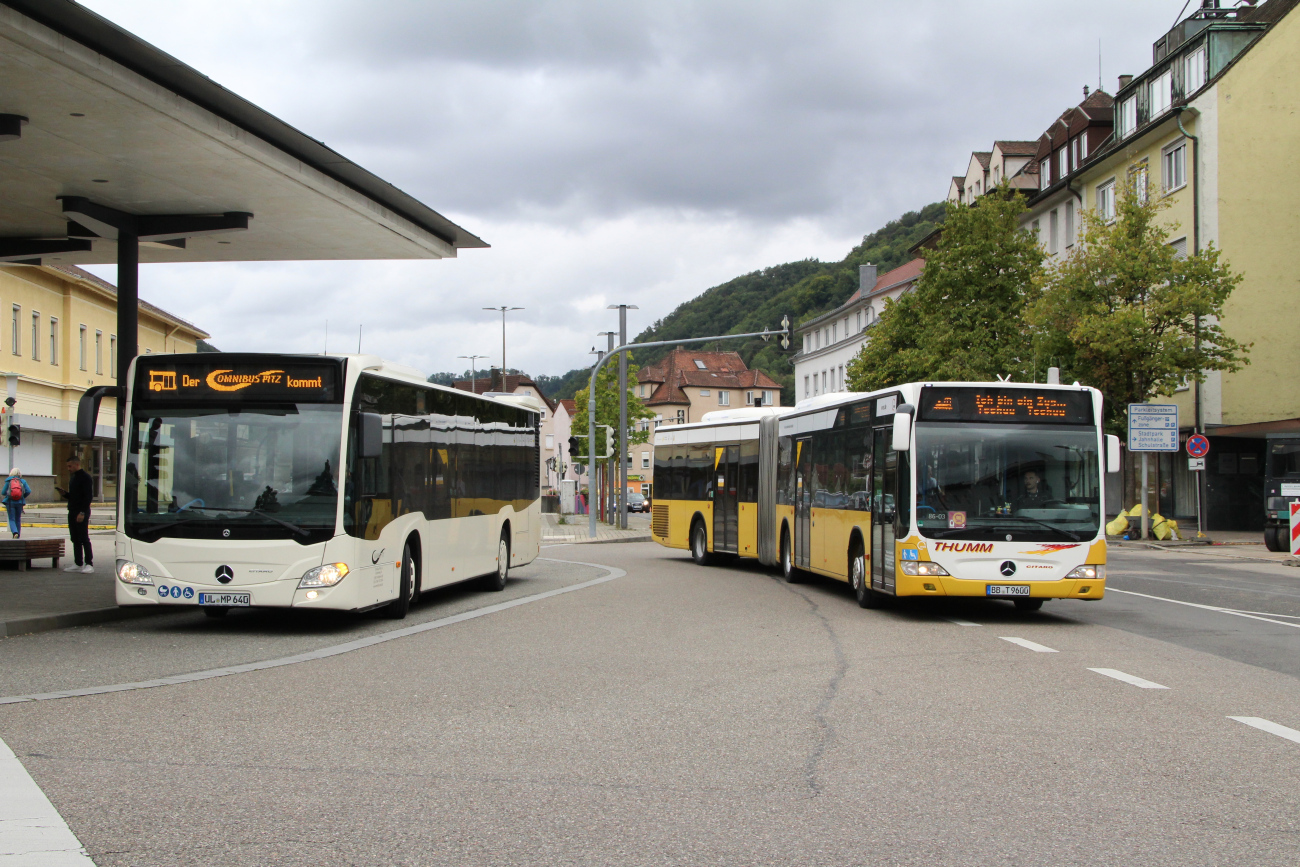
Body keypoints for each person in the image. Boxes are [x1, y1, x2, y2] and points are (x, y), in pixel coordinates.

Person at [64, 456, 95, 573]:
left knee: (83, 537)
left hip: (81, 511)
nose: (68, 468)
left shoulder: (85, 477)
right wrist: (65, 494)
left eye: (70, 466)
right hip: (72, 510)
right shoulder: (73, 478)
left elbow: (87, 497)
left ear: (77, 465)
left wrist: (82, 512)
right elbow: (74, 496)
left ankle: (89, 563)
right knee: (75, 537)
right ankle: (78, 562)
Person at [2, 468, 31, 539]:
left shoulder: (8, 481)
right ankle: (18, 536)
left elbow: (3, 492)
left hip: (10, 502)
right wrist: (22, 496)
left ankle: (15, 532)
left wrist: (9, 494)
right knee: (18, 518)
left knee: (12, 519)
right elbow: (28, 491)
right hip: (19, 502)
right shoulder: (22, 481)